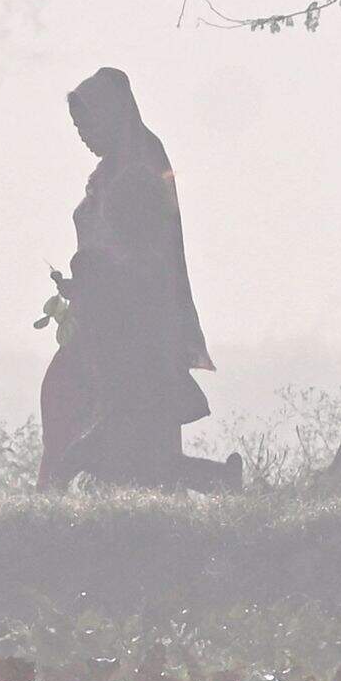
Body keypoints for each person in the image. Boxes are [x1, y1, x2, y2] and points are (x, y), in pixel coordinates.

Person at [37, 67, 242, 492]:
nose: (82, 134)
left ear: (114, 116)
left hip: (127, 334)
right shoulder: (113, 171)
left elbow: (143, 259)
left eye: (88, 123)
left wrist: (96, 280)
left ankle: (46, 510)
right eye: (77, 126)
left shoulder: (137, 173)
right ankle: (217, 479)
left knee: (86, 432)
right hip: (103, 325)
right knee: (131, 456)